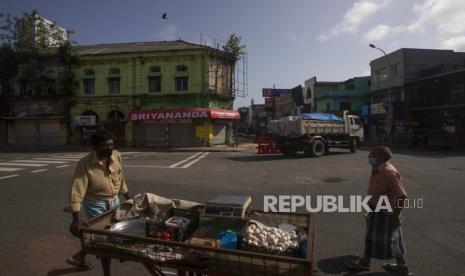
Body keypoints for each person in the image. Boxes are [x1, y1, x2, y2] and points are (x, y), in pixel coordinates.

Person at [65, 130, 130, 274]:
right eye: (104, 146)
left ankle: (79, 257)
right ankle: (106, 273)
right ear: (95, 147)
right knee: (104, 241)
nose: (109, 149)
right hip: (96, 204)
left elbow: (121, 177)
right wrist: (75, 219)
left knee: (107, 236)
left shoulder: (116, 155)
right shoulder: (85, 163)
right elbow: (77, 189)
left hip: (114, 201)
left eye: (111, 145)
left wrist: (128, 198)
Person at [346, 145, 412, 276]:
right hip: (377, 209)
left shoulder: (388, 172)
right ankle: (401, 267)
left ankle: (366, 263)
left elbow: (402, 195)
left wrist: (395, 216)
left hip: (385, 212)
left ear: (382, 157)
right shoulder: (377, 168)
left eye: (373, 155)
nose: (370, 157)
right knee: (391, 239)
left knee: (380, 238)